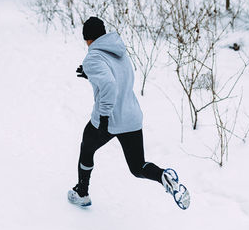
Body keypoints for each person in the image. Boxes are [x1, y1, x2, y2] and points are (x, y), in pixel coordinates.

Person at [68, 17, 190, 210]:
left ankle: (82, 192)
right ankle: (163, 176)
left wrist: (105, 118)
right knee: (137, 166)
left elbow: (109, 84)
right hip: (132, 117)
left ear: (88, 39)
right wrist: (90, 74)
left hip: (108, 120)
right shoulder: (119, 51)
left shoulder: (93, 57)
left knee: (87, 149)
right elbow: (119, 76)